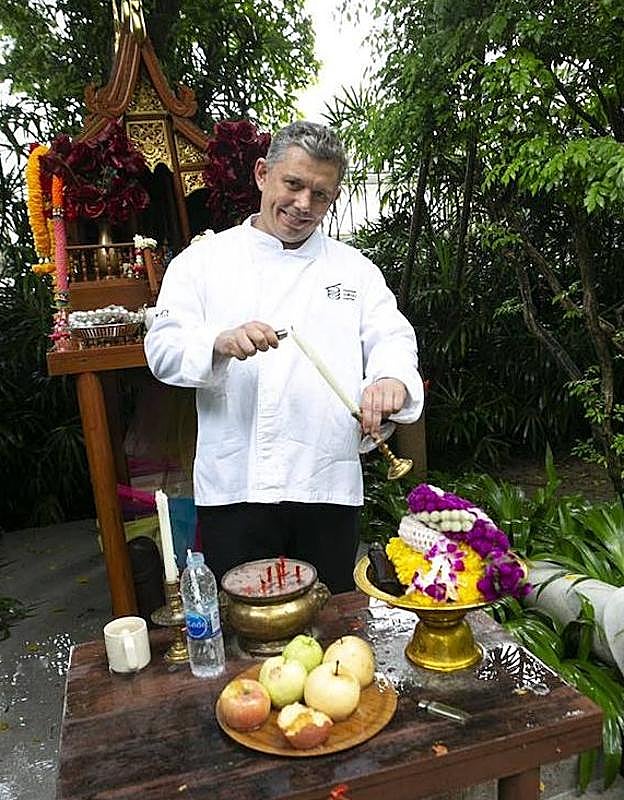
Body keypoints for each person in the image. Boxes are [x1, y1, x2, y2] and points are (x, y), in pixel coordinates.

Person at [144, 121, 424, 593]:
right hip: (235, 487)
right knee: (242, 632)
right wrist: (218, 341)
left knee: (331, 626)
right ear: (262, 174)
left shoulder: (355, 271)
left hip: (326, 483)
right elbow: (162, 348)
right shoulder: (202, 263)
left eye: (320, 195)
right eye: (293, 185)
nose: (303, 205)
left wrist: (391, 379)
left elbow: (392, 339)